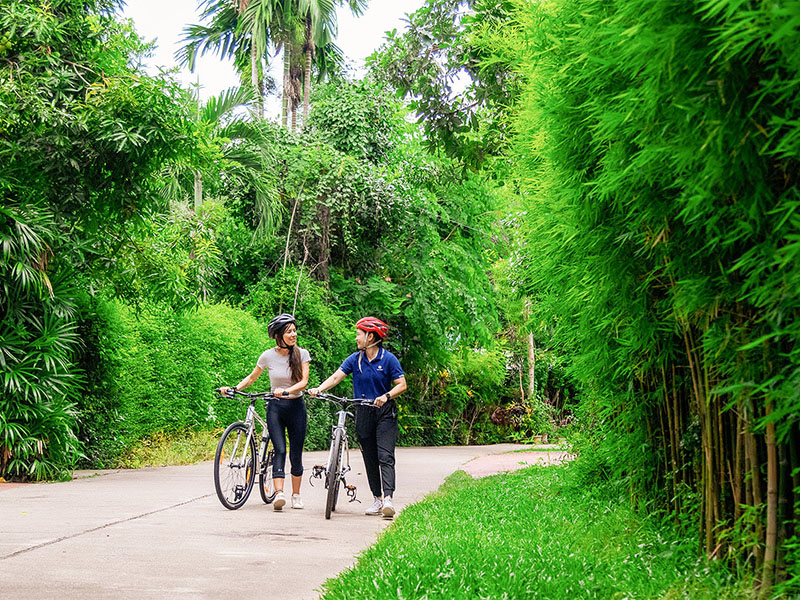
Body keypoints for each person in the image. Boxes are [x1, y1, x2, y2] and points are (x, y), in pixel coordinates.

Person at [308, 317, 406, 518]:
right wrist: (319, 389)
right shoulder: (355, 359)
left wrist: (385, 396)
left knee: (385, 456)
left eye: (359, 334)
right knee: (369, 457)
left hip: (385, 412)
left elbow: (401, 384)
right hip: (363, 412)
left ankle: (388, 499)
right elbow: (336, 377)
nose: (356, 338)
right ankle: (377, 499)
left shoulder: (388, 359)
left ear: (371, 337)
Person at [220, 313, 310, 511]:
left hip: (296, 407)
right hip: (275, 408)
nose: (294, 334)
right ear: (278, 336)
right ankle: (279, 494)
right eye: (289, 332)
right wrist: (234, 388)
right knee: (279, 450)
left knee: (295, 454)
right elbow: (251, 378)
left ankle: (296, 495)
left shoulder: (301, 354)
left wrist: (287, 391)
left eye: (295, 330)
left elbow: (304, 382)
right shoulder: (267, 355)